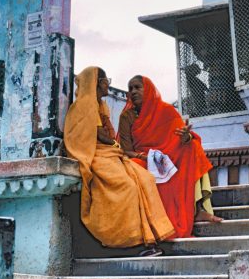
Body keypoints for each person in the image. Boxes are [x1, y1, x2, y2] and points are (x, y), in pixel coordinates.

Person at [63, 67, 176, 256]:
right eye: (106, 80)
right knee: (127, 187)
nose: (109, 83)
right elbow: (99, 135)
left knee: (146, 179)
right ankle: (131, 243)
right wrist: (114, 143)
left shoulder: (102, 105)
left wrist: (113, 144)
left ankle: (151, 235)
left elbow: (107, 132)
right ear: (98, 82)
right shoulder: (85, 105)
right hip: (93, 154)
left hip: (110, 153)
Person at [118, 75, 222, 239]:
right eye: (130, 89)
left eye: (138, 87)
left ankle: (199, 209)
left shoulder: (166, 111)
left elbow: (182, 137)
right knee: (136, 166)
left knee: (193, 147)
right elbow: (126, 150)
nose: (133, 92)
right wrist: (147, 157)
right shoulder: (126, 116)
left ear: (149, 89)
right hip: (141, 158)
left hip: (166, 155)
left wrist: (185, 138)